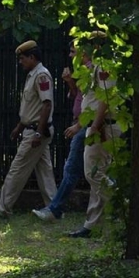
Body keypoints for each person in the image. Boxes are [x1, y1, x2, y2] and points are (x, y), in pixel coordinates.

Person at [0, 40, 57, 218]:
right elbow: (31, 108)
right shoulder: (34, 74)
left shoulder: (41, 76)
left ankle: (2, 209)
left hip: (36, 132)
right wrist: (20, 127)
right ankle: (56, 207)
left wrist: (38, 133)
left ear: (32, 57)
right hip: (33, 129)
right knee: (45, 172)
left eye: (22, 58)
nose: (20, 62)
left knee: (17, 170)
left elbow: (46, 105)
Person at [68, 40, 122, 238]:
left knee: (93, 173)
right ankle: (92, 225)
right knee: (99, 173)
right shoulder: (95, 68)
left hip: (103, 125)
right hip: (99, 124)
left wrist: (96, 127)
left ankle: (122, 203)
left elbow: (105, 98)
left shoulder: (104, 65)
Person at [32, 41, 89, 222]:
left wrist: (79, 125)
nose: (70, 55)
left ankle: (55, 209)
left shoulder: (92, 70)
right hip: (81, 123)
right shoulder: (81, 70)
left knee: (72, 169)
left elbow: (94, 104)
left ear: (84, 52)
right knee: (97, 172)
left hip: (85, 125)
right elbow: (77, 97)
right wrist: (70, 82)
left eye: (73, 52)